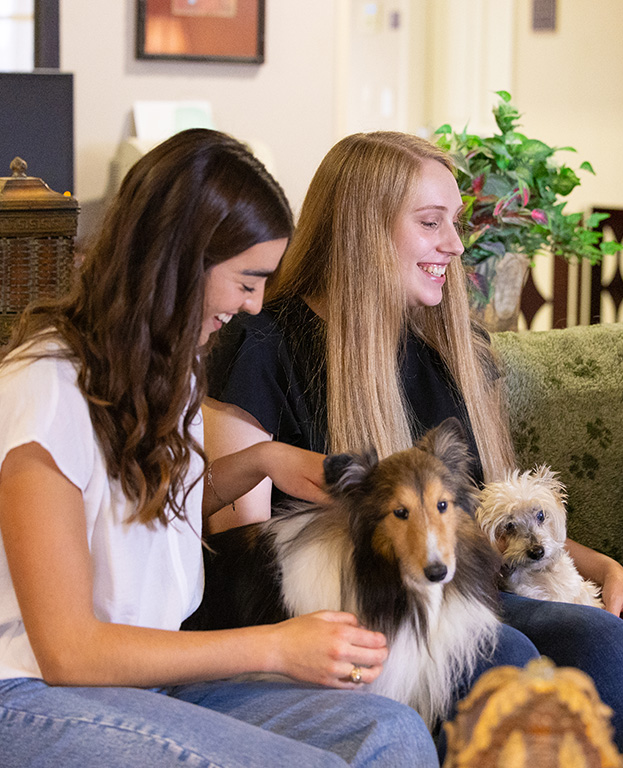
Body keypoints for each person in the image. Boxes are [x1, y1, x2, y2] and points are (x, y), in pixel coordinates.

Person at [203, 130, 623, 753]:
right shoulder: (262, 346)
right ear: (364, 229)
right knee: (506, 654)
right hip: (359, 616)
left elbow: (482, 522)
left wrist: (605, 570)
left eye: (455, 223)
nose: (456, 245)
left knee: (606, 641)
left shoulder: (446, 353)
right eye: (432, 222)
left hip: (467, 597)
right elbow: (241, 559)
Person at [0, 128, 438, 767]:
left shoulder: (168, 372)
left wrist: (266, 460)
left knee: (391, 733)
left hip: (146, 682)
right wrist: (276, 647)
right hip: (33, 693)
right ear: (180, 262)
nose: (256, 304)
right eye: (247, 279)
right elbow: (69, 651)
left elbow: (143, 519)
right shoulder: (46, 384)